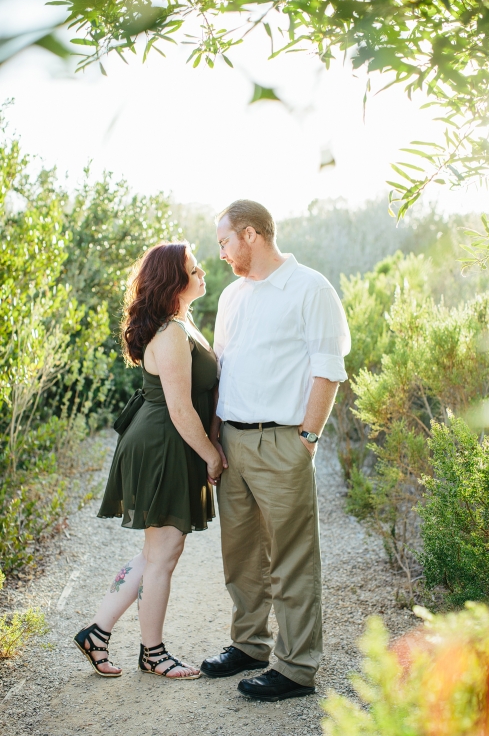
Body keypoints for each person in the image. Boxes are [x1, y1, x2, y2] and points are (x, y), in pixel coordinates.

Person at [199, 199, 350, 702]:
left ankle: (297, 667)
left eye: (223, 241)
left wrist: (306, 439)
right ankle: (249, 645)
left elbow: (328, 370)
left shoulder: (311, 288)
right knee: (240, 555)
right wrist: (215, 441)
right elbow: (223, 371)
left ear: (250, 234)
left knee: (292, 558)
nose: (219, 252)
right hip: (233, 442)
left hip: (283, 441)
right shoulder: (232, 297)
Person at [77, 241, 222, 679]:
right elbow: (181, 409)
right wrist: (212, 456)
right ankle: (153, 653)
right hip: (163, 442)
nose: (201, 275)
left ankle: (97, 634)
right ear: (173, 282)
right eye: (193, 271)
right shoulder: (172, 333)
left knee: (157, 552)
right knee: (164, 553)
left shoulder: (181, 323)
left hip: (166, 439)